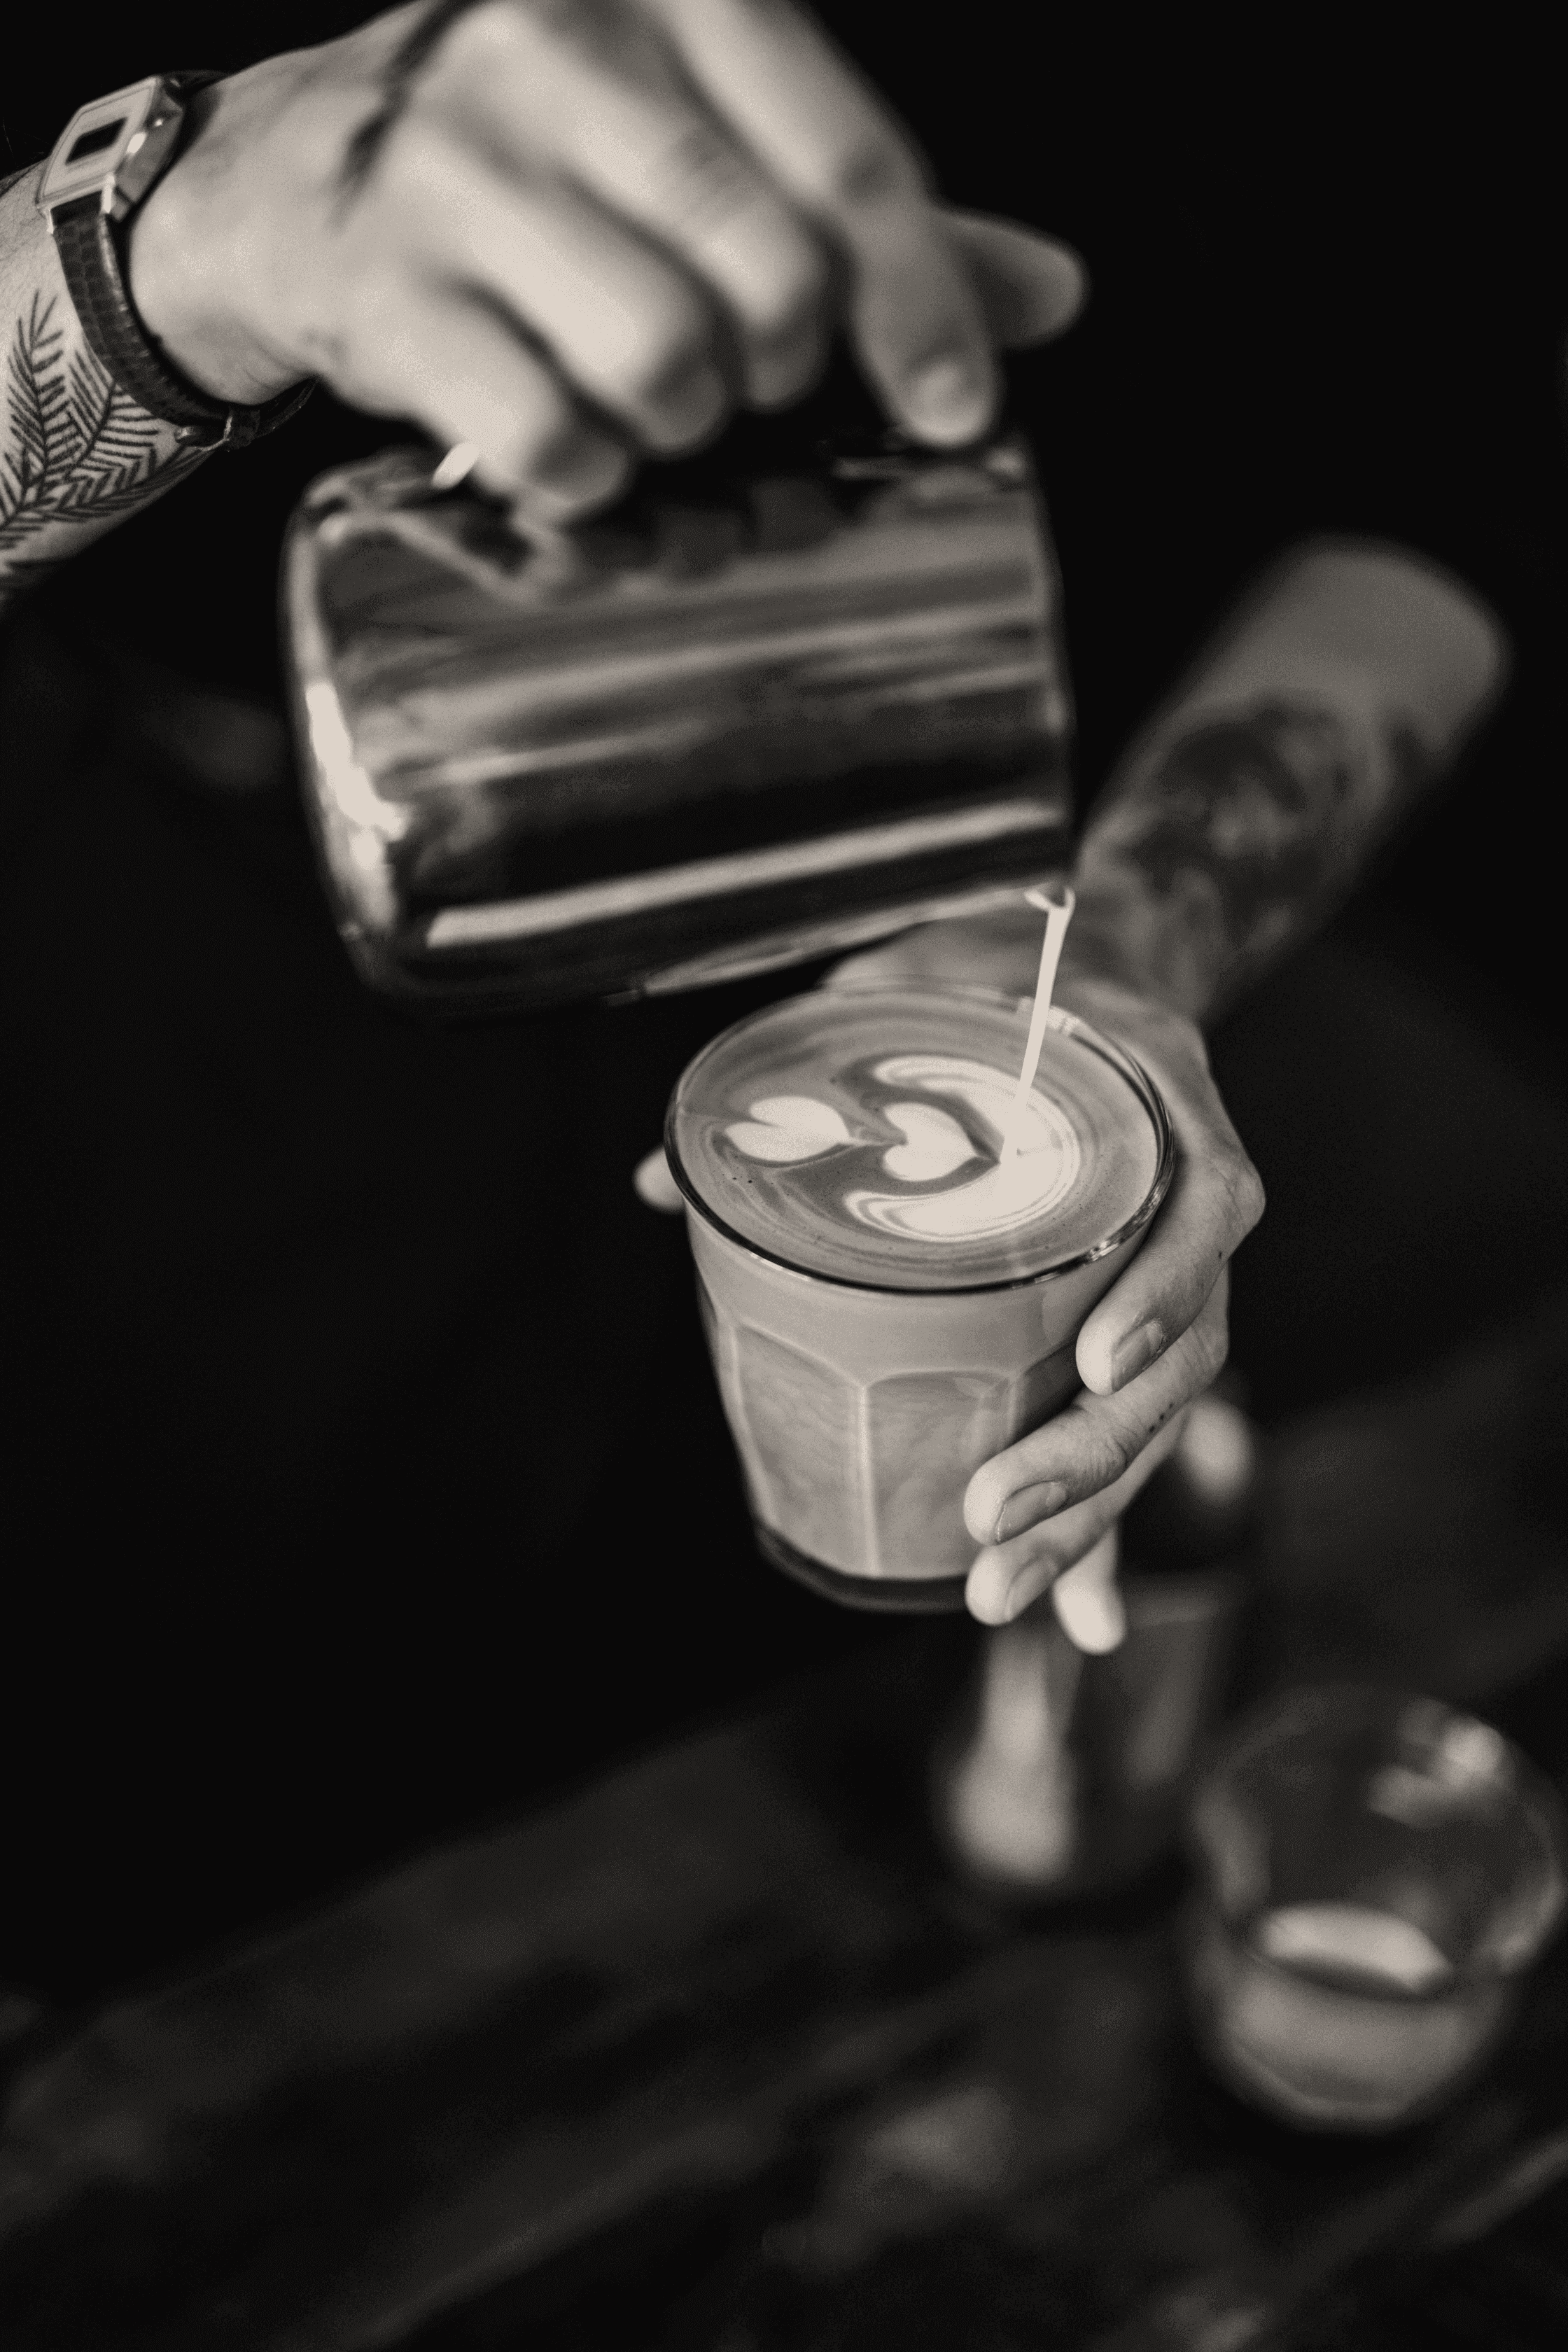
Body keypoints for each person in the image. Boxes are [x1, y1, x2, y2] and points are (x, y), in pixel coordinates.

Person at [0, 0, 1551, 1995]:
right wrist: (177, 248)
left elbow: (1467, 468)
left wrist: (1128, 951)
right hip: (186, 960)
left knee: (781, 1897)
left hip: (982, 909)